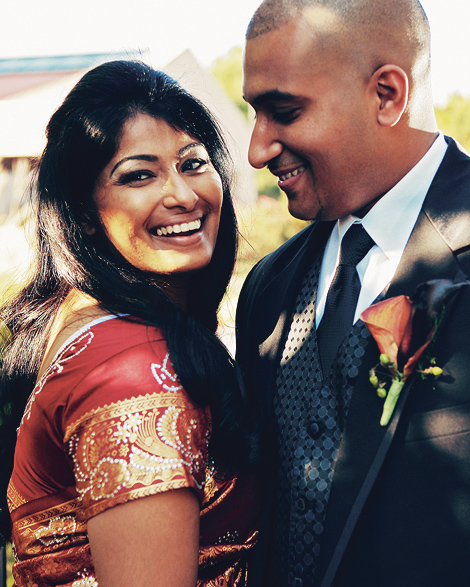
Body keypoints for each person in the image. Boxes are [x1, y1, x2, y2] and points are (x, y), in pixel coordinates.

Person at [0, 59, 261, 587]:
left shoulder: (73, 318)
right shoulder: (136, 368)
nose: (183, 196)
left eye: (193, 164)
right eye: (139, 175)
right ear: (83, 211)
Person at [236, 0, 470, 585]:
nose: (257, 149)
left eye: (283, 112)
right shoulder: (268, 288)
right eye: (255, 116)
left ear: (387, 95)